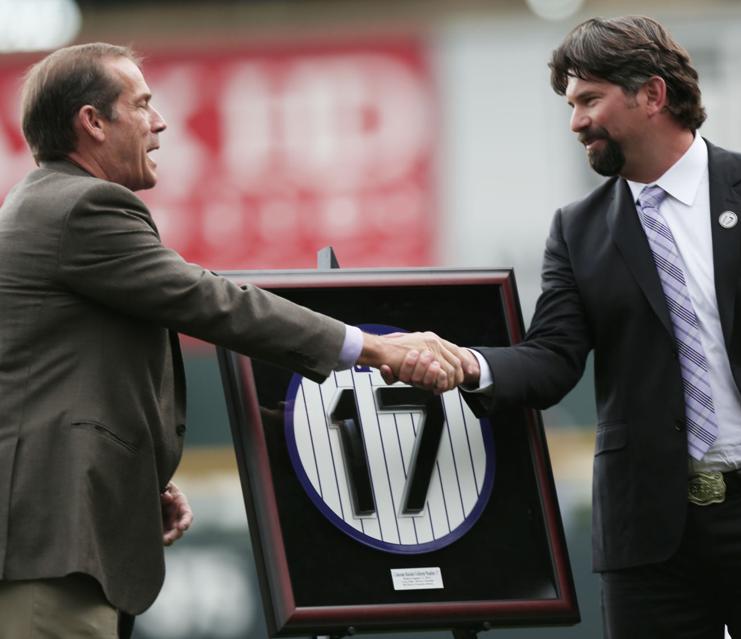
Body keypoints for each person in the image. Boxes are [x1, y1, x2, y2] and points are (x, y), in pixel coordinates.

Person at [0, 43, 475, 638]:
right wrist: (376, 349)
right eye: (142, 105)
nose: (161, 121)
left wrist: (132, 475)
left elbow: (54, 382)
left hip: (51, 537)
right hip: (48, 546)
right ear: (92, 122)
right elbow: (213, 301)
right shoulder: (82, 206)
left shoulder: (43, 206)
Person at [442, 15, 741, 639]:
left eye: (589, 100)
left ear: (652, 95)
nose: (575, 122)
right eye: (571, 105)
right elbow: (552, 358)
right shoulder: (577, 230)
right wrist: (471, 365)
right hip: (648, 540)